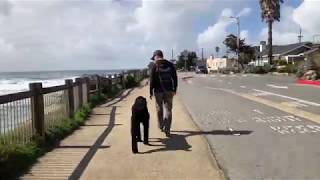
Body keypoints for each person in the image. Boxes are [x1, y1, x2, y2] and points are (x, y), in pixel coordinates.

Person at [149, 50, 178, 137]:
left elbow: (152, 80)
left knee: (159, 108)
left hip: (158, 91)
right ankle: (167, 130)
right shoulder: (170, 64)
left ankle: (161, 125)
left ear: (156, 56)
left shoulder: (154, 66)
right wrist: (175, 89)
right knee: (168, 110)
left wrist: (150, 91)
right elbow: (175, 77)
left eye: (154, 57)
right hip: (169, 90)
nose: (153, 59)